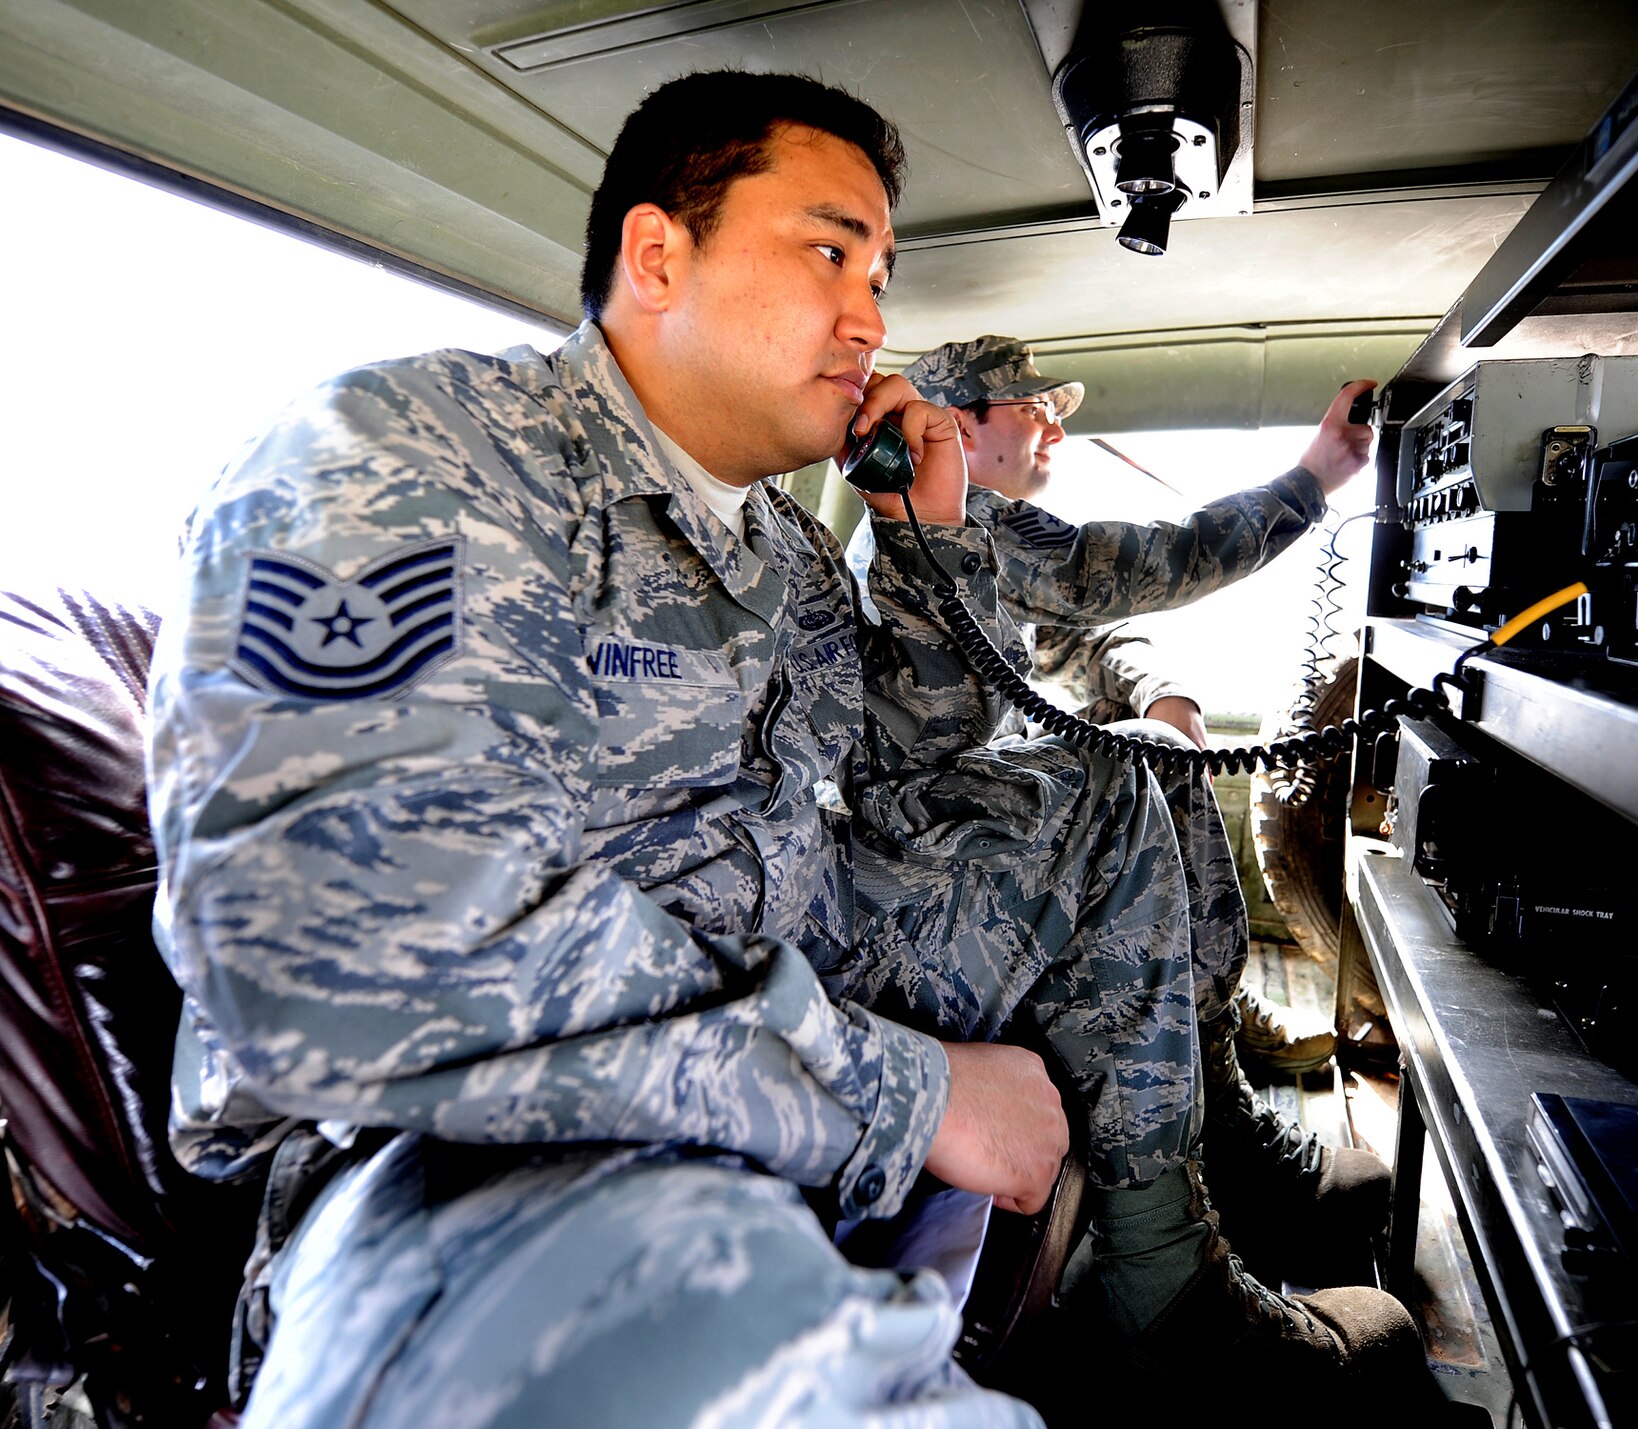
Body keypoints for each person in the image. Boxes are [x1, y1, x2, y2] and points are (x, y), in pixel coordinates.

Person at [147, 70, 1445, 1426]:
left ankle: (1164, 1291)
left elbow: (914, 771)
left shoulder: (789, 548)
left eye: (883, 273)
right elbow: (357, 963)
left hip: (790, 962)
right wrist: (904, 1091)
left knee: (1106, 779)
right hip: (490, 1137)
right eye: (830, 252)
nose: (872, 315)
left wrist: (926, 548)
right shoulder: (415, 458)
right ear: (660, 254)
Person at [845, 335, 1384, 1287]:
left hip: (954, 835)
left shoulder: (975, 533)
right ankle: (1191, 1186)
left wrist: (1162, 687)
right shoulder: (958, 522)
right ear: (956, 423)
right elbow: (1137, 564)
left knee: (1155, 749)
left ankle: (1215, 1101)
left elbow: (1083, 640)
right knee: (1142, 762)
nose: (1052, 423)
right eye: (1029, 407)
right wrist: (1313, 480)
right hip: (924, 863)